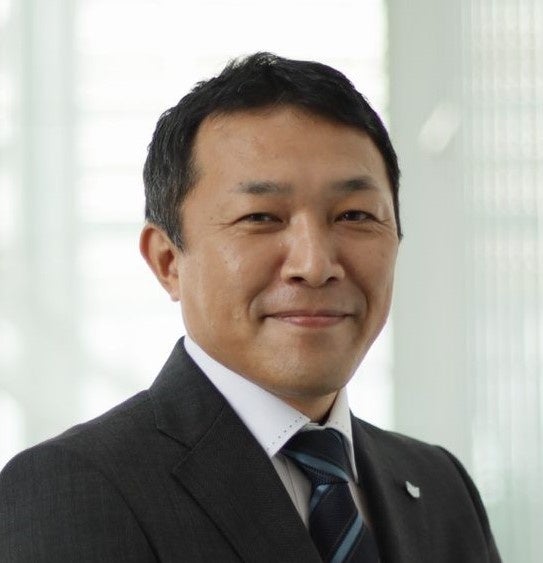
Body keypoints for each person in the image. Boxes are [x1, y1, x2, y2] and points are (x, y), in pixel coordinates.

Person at [0, 53, 500, 562]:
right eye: (261, 217)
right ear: (168, 261)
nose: (314, 265)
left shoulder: (440, 486)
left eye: (354, 215)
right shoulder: (72, 488)